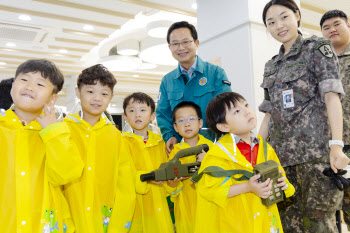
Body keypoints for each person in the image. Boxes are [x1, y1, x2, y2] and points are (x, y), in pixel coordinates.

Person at [259, 1, 350, 232]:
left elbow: (332, 97)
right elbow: (269, 115)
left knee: (319, 223)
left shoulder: (317, 47)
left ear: (297, 15)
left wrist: (337, 145)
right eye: (271, 22)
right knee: (287, 224)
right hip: (281, 162)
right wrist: (257, 151)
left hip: (316, 156)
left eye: (284, 17)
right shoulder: (271, 66)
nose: (279, 25)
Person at [0, 59, 84, 233]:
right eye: (24, 80)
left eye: (40, 84)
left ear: (53, 98)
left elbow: (66, 175)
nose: (30, 87)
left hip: (45, 224)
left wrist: (53, 132)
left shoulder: (59, 132)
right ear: (13, 85)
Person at [194, 92, 294, 233]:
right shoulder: (217, 155)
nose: (247, 111)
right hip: (236, 223)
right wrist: (248, 187)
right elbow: (210, 190)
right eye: (237, 111)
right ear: (223, 127)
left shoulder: (265, 147)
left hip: (264, 221)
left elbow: (281, 176)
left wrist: (283, 184)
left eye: (246, 105)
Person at [63, 64, 135, 233]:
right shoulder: (63, 129)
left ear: (111, 97)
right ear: (77, 92)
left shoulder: (116, 136)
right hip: (68, 220)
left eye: (104, 93)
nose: (97, 98)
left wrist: (117, 227)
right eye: (90, 91)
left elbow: (126, 188)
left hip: (103, 223)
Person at [156, 21, 232, 155]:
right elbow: (163, 114)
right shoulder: (167, 81)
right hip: (182, 150)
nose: (181, 48)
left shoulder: (215, 73)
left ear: (196, 43)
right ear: (170, 48)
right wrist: (169, 136)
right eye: (175, 44)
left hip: (213, 148)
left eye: (185, 42)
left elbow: (225, 110)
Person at [122, 92, 174, 233]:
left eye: (143, 110)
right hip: (134, 209)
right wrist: (146, 179)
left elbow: (169, 178)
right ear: (125, 117)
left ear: (152, 115)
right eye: (132, 110)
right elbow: (121, 176)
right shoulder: (121, 143)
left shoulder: (161, 143)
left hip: (159, 207)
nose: (137, 115)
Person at [320, 9, 350, 230]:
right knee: (336, 207)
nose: (332, 29)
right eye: (326, 27)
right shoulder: (320, 63)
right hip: (329, 146)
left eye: (336, 24)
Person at [166, 101, 213, 233]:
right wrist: (173, 183)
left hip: (209, 207)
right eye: (181, 121)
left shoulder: (212, 148)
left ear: (200, 123)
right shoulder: (175, 153)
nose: (187, 124)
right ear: (175, 127)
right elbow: (170, 185)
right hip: (185, 209)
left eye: (192, 119)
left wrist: (207, 162)